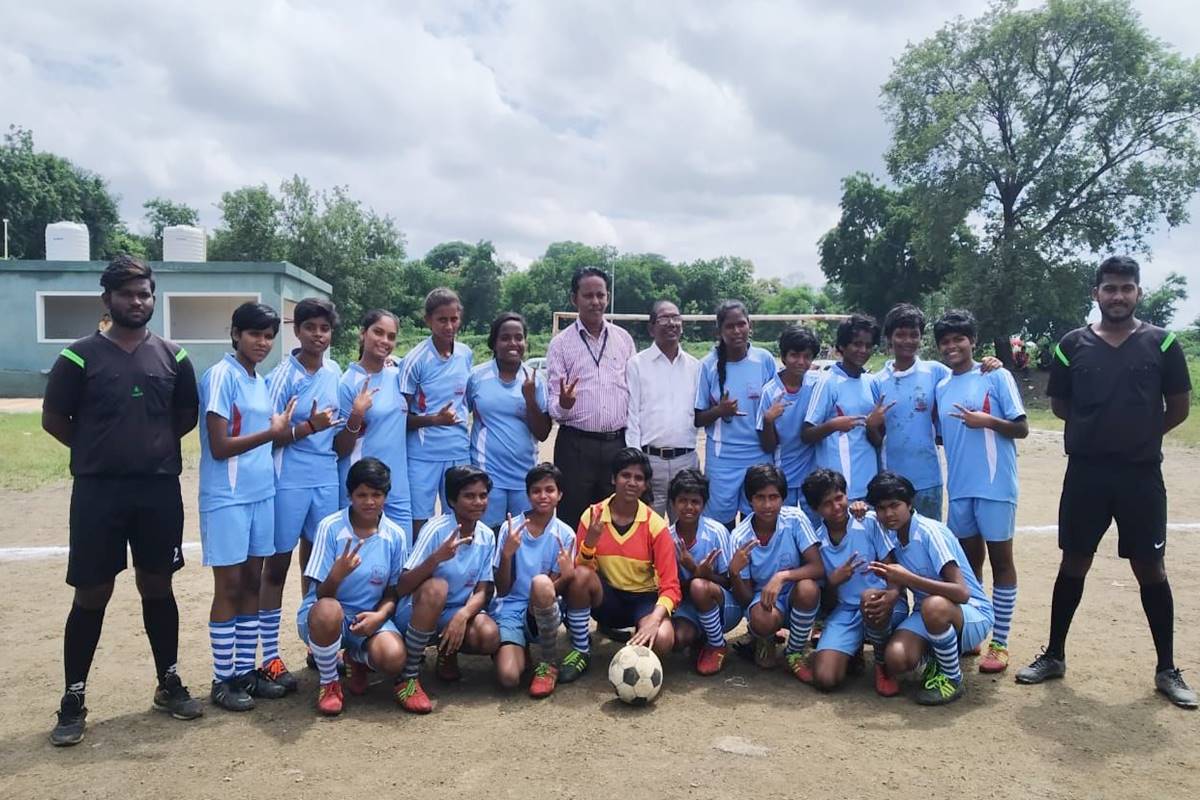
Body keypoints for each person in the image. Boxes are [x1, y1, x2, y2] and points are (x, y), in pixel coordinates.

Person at [1016, 256, 1196, 708]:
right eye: (1109, 288)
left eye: (1126, 288)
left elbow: (1177, 407)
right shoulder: (1071, 344)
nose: (1118, 296)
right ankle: (1054, 654)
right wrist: (1098, 431)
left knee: (1150, 568)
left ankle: (1166, 668)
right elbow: (1060, 404)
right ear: (1096, 293)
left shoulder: (1163, 342)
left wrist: (1137, 435)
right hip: (1087, 473)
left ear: (1138, 293)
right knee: (1073, 561)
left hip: (1140, 475)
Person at [42, 256, 203, 746]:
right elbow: (54, 419)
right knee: (92, 592)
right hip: (97, 492)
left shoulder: (174, 357)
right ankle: (73, 697)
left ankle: (168, 681)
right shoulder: (78, 356)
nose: (138, 302)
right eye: (129, 293)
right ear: (107, 298)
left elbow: (186, 416)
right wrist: (101, 452)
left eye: (145, 294)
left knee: (157, 586)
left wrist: (146, 451)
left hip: (157, 489)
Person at [198, 302, 293, 711]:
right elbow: (219, 447)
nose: (263, 342)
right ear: (235, 333)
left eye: (269, 335)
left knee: (253, 581)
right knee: (230, 586)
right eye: (255, 334)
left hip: (261, 493)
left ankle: (246, 670)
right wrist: (270, 432)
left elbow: (271, 435)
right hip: (228, 496)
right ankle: (223, 679)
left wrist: (286, 431)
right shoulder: (221, 376)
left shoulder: (260, 380)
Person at [933, 310, 1027, 674]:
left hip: (995, 486)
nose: (952, 346)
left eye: (959, 339)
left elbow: (1021, 428)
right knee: (969, 568)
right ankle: (974, 634)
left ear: (972, 340)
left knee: (1002, 562)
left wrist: (985, 421)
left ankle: (1000, 643)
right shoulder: (942, 385)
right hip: (959, 489)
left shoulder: (996, 375)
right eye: (945, 341)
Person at [260, 298, 342, 693]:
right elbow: (270, 436)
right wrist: (308, 426)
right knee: (276, 566)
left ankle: (317, 643)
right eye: (311, 327)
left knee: (318, 567)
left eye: (325, 328)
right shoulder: (282, 376)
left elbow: (341, 427)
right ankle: (269, 655)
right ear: (298, 331)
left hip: (326, 477)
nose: (318, 335)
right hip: (288, 478)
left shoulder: (336, 371)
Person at [866, 471, 995, 706]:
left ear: (910, 503)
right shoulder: (893, 535)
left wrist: (909, 578)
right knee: (896, 658)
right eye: (881, 508)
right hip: (927, 615)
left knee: (933, 604)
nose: (888, 513)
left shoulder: (929, 532)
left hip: (970, 613)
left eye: (895, 505)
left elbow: (961, 592)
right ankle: (939, 654)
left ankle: (952, 679)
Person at [868, 304, 1004, 521]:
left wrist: (989, 362)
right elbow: (875, 439)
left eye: (914, 335)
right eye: (900, 335)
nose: (908, 341)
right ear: (888, 338)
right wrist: (871, 425)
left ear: (921, 338)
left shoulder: (936, 372)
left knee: (929, 538)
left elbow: (965, 375)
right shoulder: (876, 382)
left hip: (928, 479)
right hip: (891, 479)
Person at [558, 448, 681, 683]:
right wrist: (590, 543)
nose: (631, 482)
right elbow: (580, 574)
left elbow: (671, 586)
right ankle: (581, 650)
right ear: (614, 479)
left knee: (663, 639)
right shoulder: (592, 515)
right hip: (607, 598)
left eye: (638, 478)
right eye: (625, 475)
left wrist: (654, 620)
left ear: (645, 485)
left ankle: (635, 647)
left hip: (642, 599)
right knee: (581, 575)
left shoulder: (655, 525)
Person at [297, 458, 409, 716]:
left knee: (394, 659)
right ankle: (329, 682)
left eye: (377, 494)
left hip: (368, 617)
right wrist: (337, 575)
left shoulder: (394, 535)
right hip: (327, 613)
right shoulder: (330, 528)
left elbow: (393, 591)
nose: (369, 502)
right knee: (328, 611)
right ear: (349, 495)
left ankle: (356, 658)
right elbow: (321, 595)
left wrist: (379, 616)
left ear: (386, 495)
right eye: (362, 494)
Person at [392, 465, 500, 713]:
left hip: (452, 612)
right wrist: (436, 559)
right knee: (437, 587)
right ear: (452, 499)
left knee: (489, 635)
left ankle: (446, 653)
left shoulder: (486, 535)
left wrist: (462, 616)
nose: (478, 502)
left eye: (483, 495)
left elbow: (483, 590)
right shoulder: (435, 529)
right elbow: (403, 585)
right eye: (469, 496)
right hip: (415, 610)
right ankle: (407, 678)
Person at [546, 267, 636, 528]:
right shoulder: (561, 344)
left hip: (616, 444)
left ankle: (606, 571)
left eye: (601, 295)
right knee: (573, 519)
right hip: (575, 445)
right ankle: (572, 569)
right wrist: (564, 404)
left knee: (613, 519)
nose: (595, 302)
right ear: (574, 299)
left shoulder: (624, 339)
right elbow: (553, 406)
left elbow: (633, 391)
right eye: (588, 296)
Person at [803, 468, 905, 696]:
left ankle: (881, 662)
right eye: (827, 503)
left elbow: (892, 568)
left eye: (839, 498)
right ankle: (852, 649)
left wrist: (893, 594)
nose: (837, 506)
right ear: (815, 509)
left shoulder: (867, 522)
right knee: (825, 678)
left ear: (847, 495)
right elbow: (826, 601)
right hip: (847, 610)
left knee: (868, 597)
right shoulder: (817, 542)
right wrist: (833, 581)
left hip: (884, 602)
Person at [729, 465, 823, 682]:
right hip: (765, 601)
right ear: (749, 500)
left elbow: (817, 567)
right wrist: (734, 573)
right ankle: (764, 638)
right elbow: (744, 599)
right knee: (762, 620)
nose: (768, 505)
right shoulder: (739, 536)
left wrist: (782, 576)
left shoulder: (795, 519)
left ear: (783, 498)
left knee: (808, 587)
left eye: (774, 497)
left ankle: (794, 651)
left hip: (794, 594)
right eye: (760, 497)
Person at [491, 463, 577, 698]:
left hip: (542, 608)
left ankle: (548, 662)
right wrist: (507, 555)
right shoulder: (511, 529)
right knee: (509, 678)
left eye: (549, 490)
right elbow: (502, 588)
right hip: (510, 609)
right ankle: (516, 647)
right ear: (528, 494)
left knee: (540, 584)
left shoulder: (565, 534)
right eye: (536, 490)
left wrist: (566, 577)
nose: (543, 496)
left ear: (560, 495)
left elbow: (551, 588)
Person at [694, 300, 777, 527]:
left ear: (750, 325)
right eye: (730, 326)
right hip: (723, 460)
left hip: (759, 455)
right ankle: (725, 563)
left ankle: (755, 563)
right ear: (719, 331)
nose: (737, 331)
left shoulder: (764, 360)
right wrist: (720, 411)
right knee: (722, 523)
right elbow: (698, 418)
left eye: (741, 324)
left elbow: (775, 405)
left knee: (758, 520)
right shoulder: (707, 365)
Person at [466, 312, 551, 529]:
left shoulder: (535, 380)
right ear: (494, 343)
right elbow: (460, 414)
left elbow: (542, 433)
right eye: (505, 338)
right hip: (487, 474)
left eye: (518, 337)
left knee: (520, 537)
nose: (513, 343)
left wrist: (530, 399)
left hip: (524, 476)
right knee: (488, 535)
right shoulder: (476, 377)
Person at [400, 288, 473, 535]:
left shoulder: (465, 354)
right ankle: (419, 571)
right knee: (421, 521)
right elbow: (399, 418)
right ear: (428, 320)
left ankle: (456, 572)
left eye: (454, 319)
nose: (449, 326)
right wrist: (435, 420)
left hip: (458, 451)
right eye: (442, 319)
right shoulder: (416, 359)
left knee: (460, 517)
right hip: (423, 455)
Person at [334, 310, 412, 538]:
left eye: (391, 336)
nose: (384, 341)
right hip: (363, 487)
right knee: (358, 557)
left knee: (400, 555)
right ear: (362, 334)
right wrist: (356, 415)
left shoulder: (397, 375)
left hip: (397, 486)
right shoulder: (347, 384)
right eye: (378, 332)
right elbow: (339, 448)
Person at [625, 300, 702, 519]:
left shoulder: (695, 366)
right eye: (664, 318)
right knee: (647, 529)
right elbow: (631, 416)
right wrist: (637, 464)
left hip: (686, 460)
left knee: (685, 530)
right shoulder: (637, 364)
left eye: (676, 318)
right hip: (650, 462)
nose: (672, 323)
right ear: (651, 328)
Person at [667, 469, 742, 676]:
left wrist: (697, 571)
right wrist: (693, 573)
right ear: (673, 503)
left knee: (699, 586)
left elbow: (729, 582)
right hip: (689, 605)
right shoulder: (667, 537)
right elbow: (670, 587)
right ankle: (702, 637)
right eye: (682, 500)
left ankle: (717, 645)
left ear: (704, 503)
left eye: (695, 501)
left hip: (723, 606)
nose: (689, 507)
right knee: (678, 640)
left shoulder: (716, 532)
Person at [802, 313, 882, 501]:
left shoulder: (872, 382)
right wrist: (833, 425)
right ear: (842, 346)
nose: (862, 350)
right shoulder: (827, 381)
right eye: (856, 344)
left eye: (868, 345)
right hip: (837, 490)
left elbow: (877, 440)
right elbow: (806, 434)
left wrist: (872, 426)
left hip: (867, 484)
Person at [757, 324, 822, 524]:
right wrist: (768, 420)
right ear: (784, 357)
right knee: (786, 528)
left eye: (807, 356)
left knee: (815, 528)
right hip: (784, 475)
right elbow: (767, 445)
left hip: (813, 476)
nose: (801, 362)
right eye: (795, 355)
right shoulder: (770, 392)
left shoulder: (817, 385)